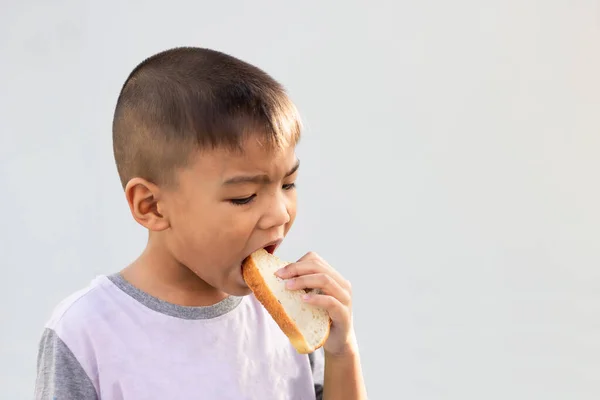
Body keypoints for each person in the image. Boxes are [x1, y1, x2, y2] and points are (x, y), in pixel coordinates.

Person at [34, 46, 368, 399]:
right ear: (152, 206)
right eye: (244, 196)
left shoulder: (292, 317)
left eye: (287, 184)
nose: (280, 213)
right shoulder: (86, 332)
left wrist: (342, 352)